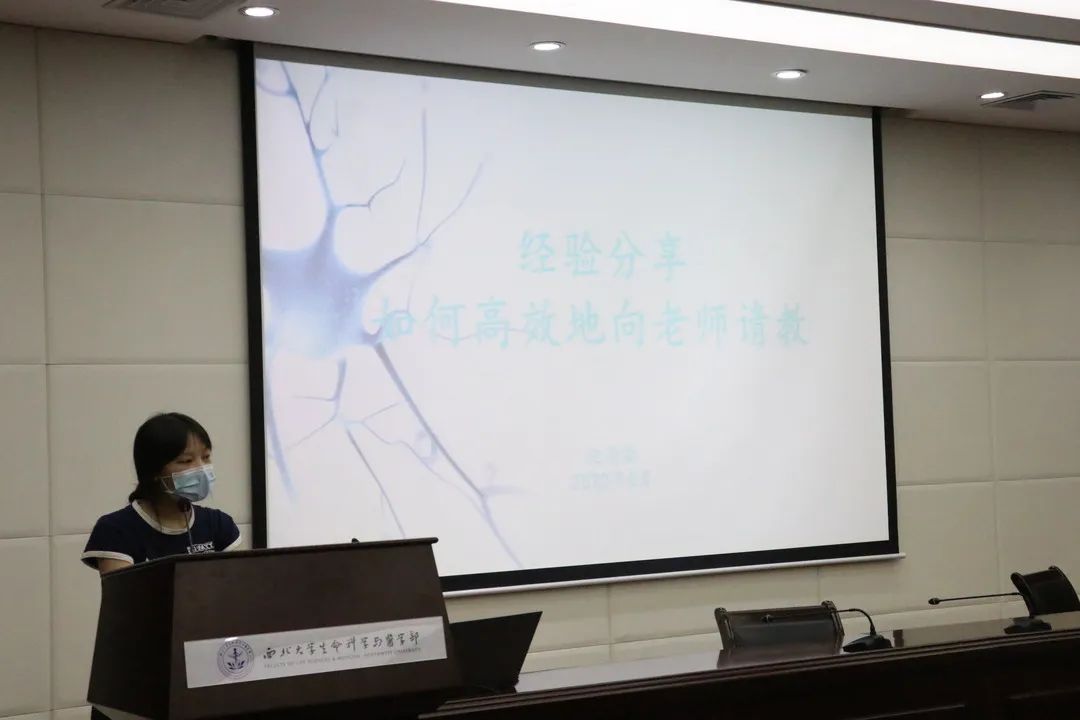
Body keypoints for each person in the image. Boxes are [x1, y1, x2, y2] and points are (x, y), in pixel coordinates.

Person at [82, 412, 241, 574]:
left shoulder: (220, 524)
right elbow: (124, 590)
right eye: (186, 460)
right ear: (154, 470)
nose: (201, 469)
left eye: (206, 457)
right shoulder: (116, 529)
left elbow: (240, 584)